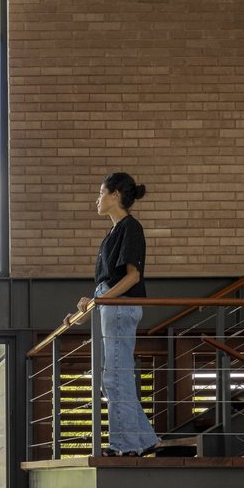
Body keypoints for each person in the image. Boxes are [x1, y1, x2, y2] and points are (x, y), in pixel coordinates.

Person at [67, 172, 160, 456]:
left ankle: (127, 445)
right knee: (113, 377)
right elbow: (104, 286)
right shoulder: (113, 232)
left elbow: (133, 277)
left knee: (115, 377)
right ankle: (141, 441)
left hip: (120, 306)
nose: (97, 199)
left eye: (101, 193)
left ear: (115, 194)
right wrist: (82, 313)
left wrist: (99, 301)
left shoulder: (131, 227)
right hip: (111, 305)